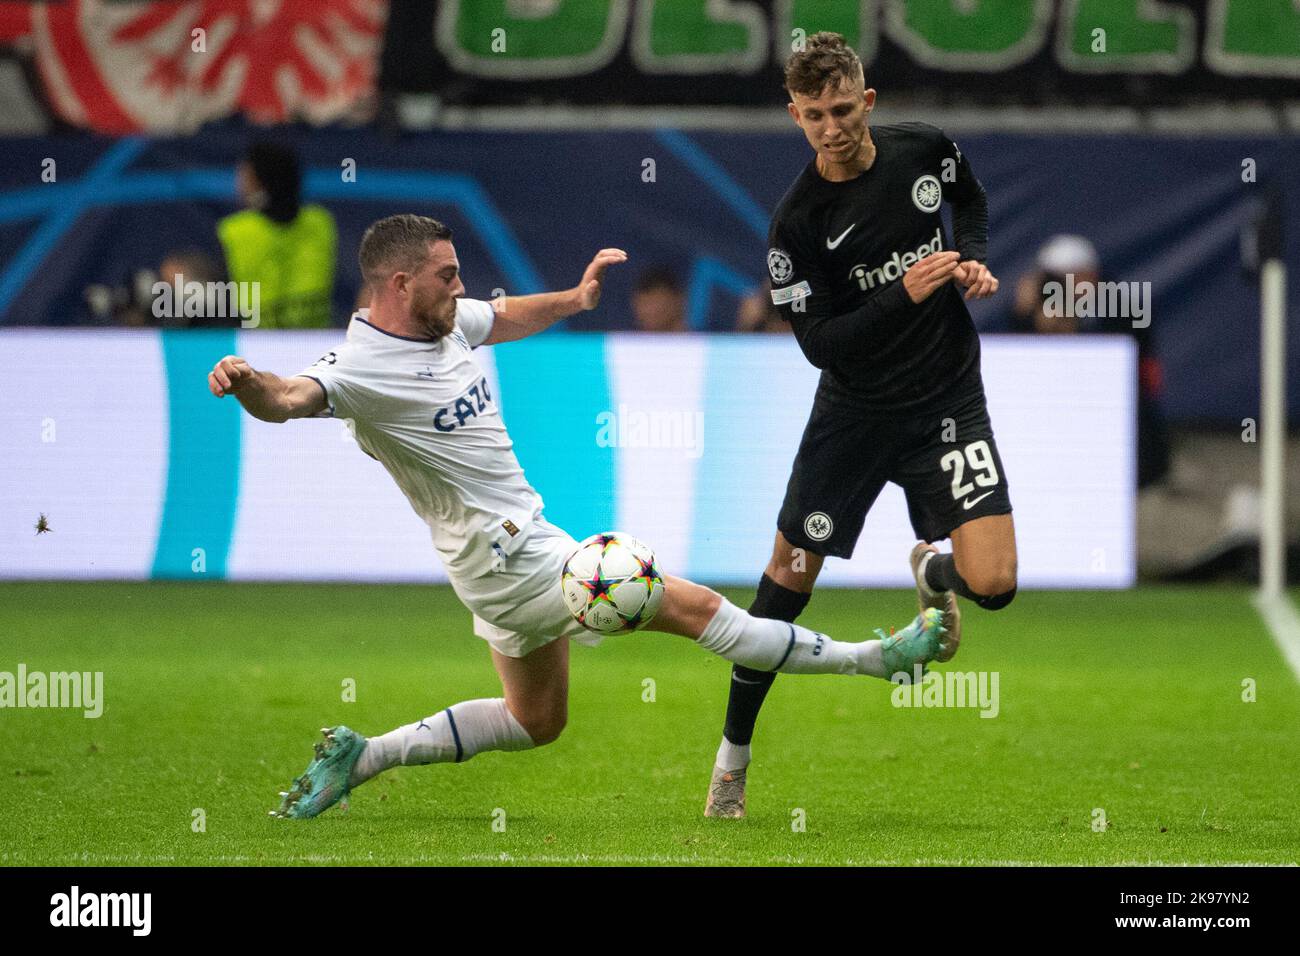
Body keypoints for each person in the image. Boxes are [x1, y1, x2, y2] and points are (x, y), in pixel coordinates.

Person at [206, 214, 952, 819]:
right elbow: (288, 397)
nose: (460, 286)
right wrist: (246, 382)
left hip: (512, 551)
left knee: (537, 721)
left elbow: (496, 316)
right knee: (695, 608)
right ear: (400, 284)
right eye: (447, 275)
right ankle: (883, 659)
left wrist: (572, 300)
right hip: (510, 562)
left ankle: (361, 757)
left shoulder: (439, 324)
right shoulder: (359, 368)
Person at [703, 32, 1017, 818]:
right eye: (813, 115)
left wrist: (971, 257)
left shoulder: (924, 152)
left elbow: (969, 200)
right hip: (855, 412)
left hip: (948, 399)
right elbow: (820, 346)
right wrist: (903, 294)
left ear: (867, 102)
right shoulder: (797, 225)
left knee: (997, 585)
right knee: (787, 580)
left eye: (843, 109)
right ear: (794, 116)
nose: (831, 127)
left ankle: (935, 577)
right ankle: (732, 762)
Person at [217, 141, 338, 329]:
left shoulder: (234, 230)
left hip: (254, 341)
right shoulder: (321, 222)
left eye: (244, 174)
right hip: (316, 339)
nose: (238, 180)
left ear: (256, 180)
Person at [630, 266, 687, 332]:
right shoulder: (625, 341)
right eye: (646, 303)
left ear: (678, 300)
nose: (651, 309)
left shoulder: (698, 340)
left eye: (656, 301)